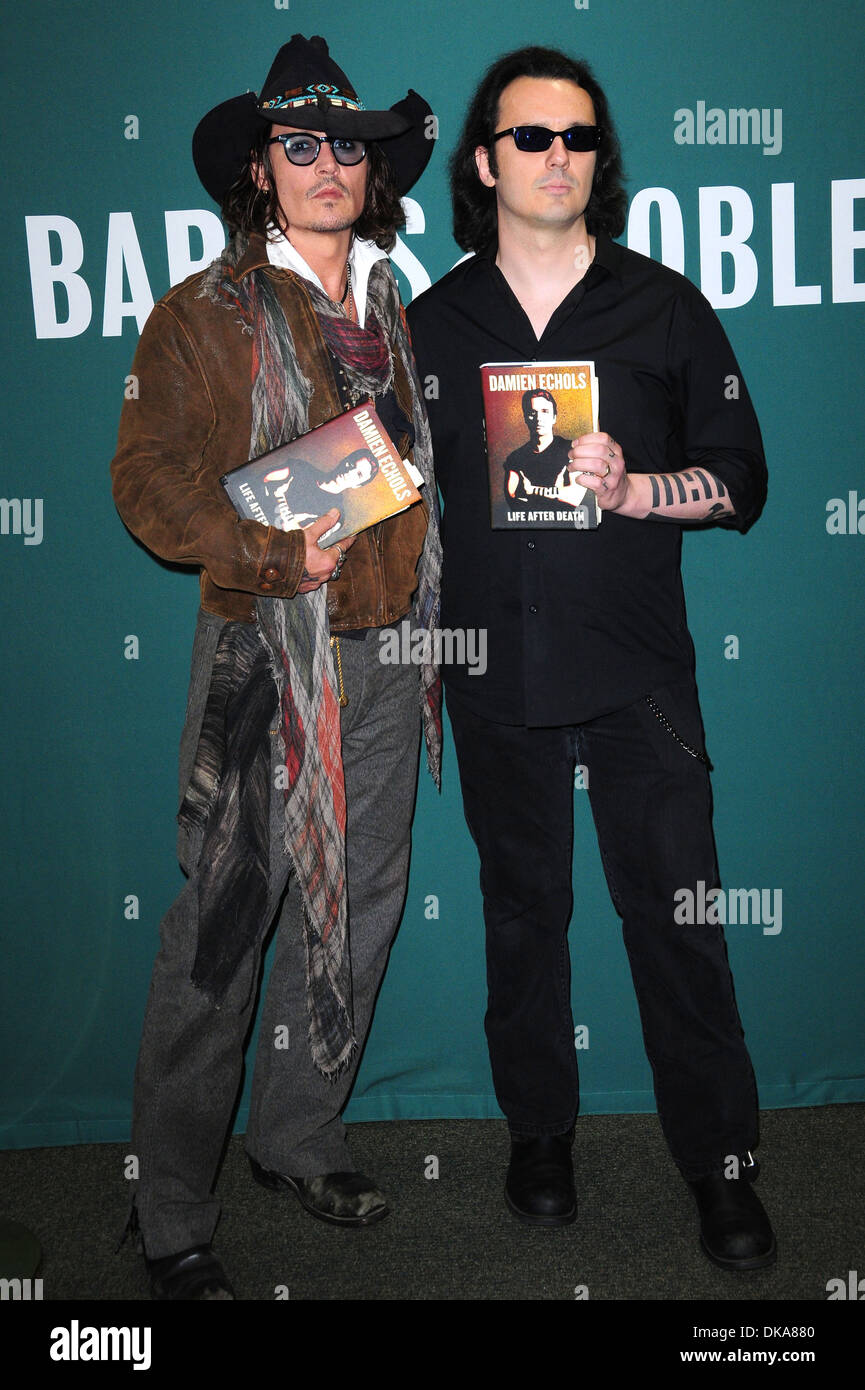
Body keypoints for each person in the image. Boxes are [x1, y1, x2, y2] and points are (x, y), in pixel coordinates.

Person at [407, 45, 773, 1271]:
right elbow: (386, 496)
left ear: (594, 160)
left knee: (681, 925)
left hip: (638, 676)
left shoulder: (662, 305)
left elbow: (742, 483)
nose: (557, 156)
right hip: (490, 675)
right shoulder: (429, 324)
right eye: (531, 137)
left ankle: (722, 1166)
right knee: (523, 918)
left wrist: (638, 486)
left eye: (576, 138)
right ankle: (539, 1138)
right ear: (484, 161)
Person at [111, 33, 441, 1300]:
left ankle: (297, 1137)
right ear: (259, 170)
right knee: (222, 926)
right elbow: (145, 483)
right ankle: (171, 1212)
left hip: (392, 658)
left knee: (354, 913)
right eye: (298, 146)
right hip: (262, 654)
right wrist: (264, 546)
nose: (325, 165)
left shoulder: (394, 304)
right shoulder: (199, 314)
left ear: (370, 172)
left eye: (343, 147)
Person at [504, 388, 587, 509]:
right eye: (533, 412)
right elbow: (514, 498)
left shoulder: (571, 449)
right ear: (526, 418)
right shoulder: (516, 458)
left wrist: (532, 490)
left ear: (554, 417)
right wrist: (557, 493)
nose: (539, 418)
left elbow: (575, 497)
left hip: (567, 525)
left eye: (545, 411)